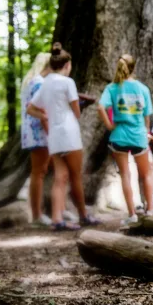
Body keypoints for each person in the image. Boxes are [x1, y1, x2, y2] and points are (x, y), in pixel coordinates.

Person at [27, 43, 100, 231]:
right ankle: (84, 215)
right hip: (69, 133)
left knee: (61, 176)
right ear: (67, 65)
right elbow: (76, 111)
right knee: (76, 176)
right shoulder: (68, 83)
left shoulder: (45, 82)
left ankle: (57, 219)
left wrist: (45, 115)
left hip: (54, 136)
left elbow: (31, 108)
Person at [97, 54, 153, 225]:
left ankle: (132, 214)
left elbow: (101, 107)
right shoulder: (142, 89)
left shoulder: (112, 88)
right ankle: (150, 209)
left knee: (125, 175)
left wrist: (109, 125)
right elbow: (147, 116)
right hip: (138, 136)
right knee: (146, 174)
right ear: (134, 68)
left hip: (119, 136)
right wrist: (146, 132)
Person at [20, 52, 52, 226]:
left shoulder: (29, 82)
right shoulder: (40, 83)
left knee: (39, 172)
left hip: (30, 132)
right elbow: (43, 111)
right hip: (39, 131)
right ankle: (37, 215)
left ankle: (42, 211)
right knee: (39, 173)